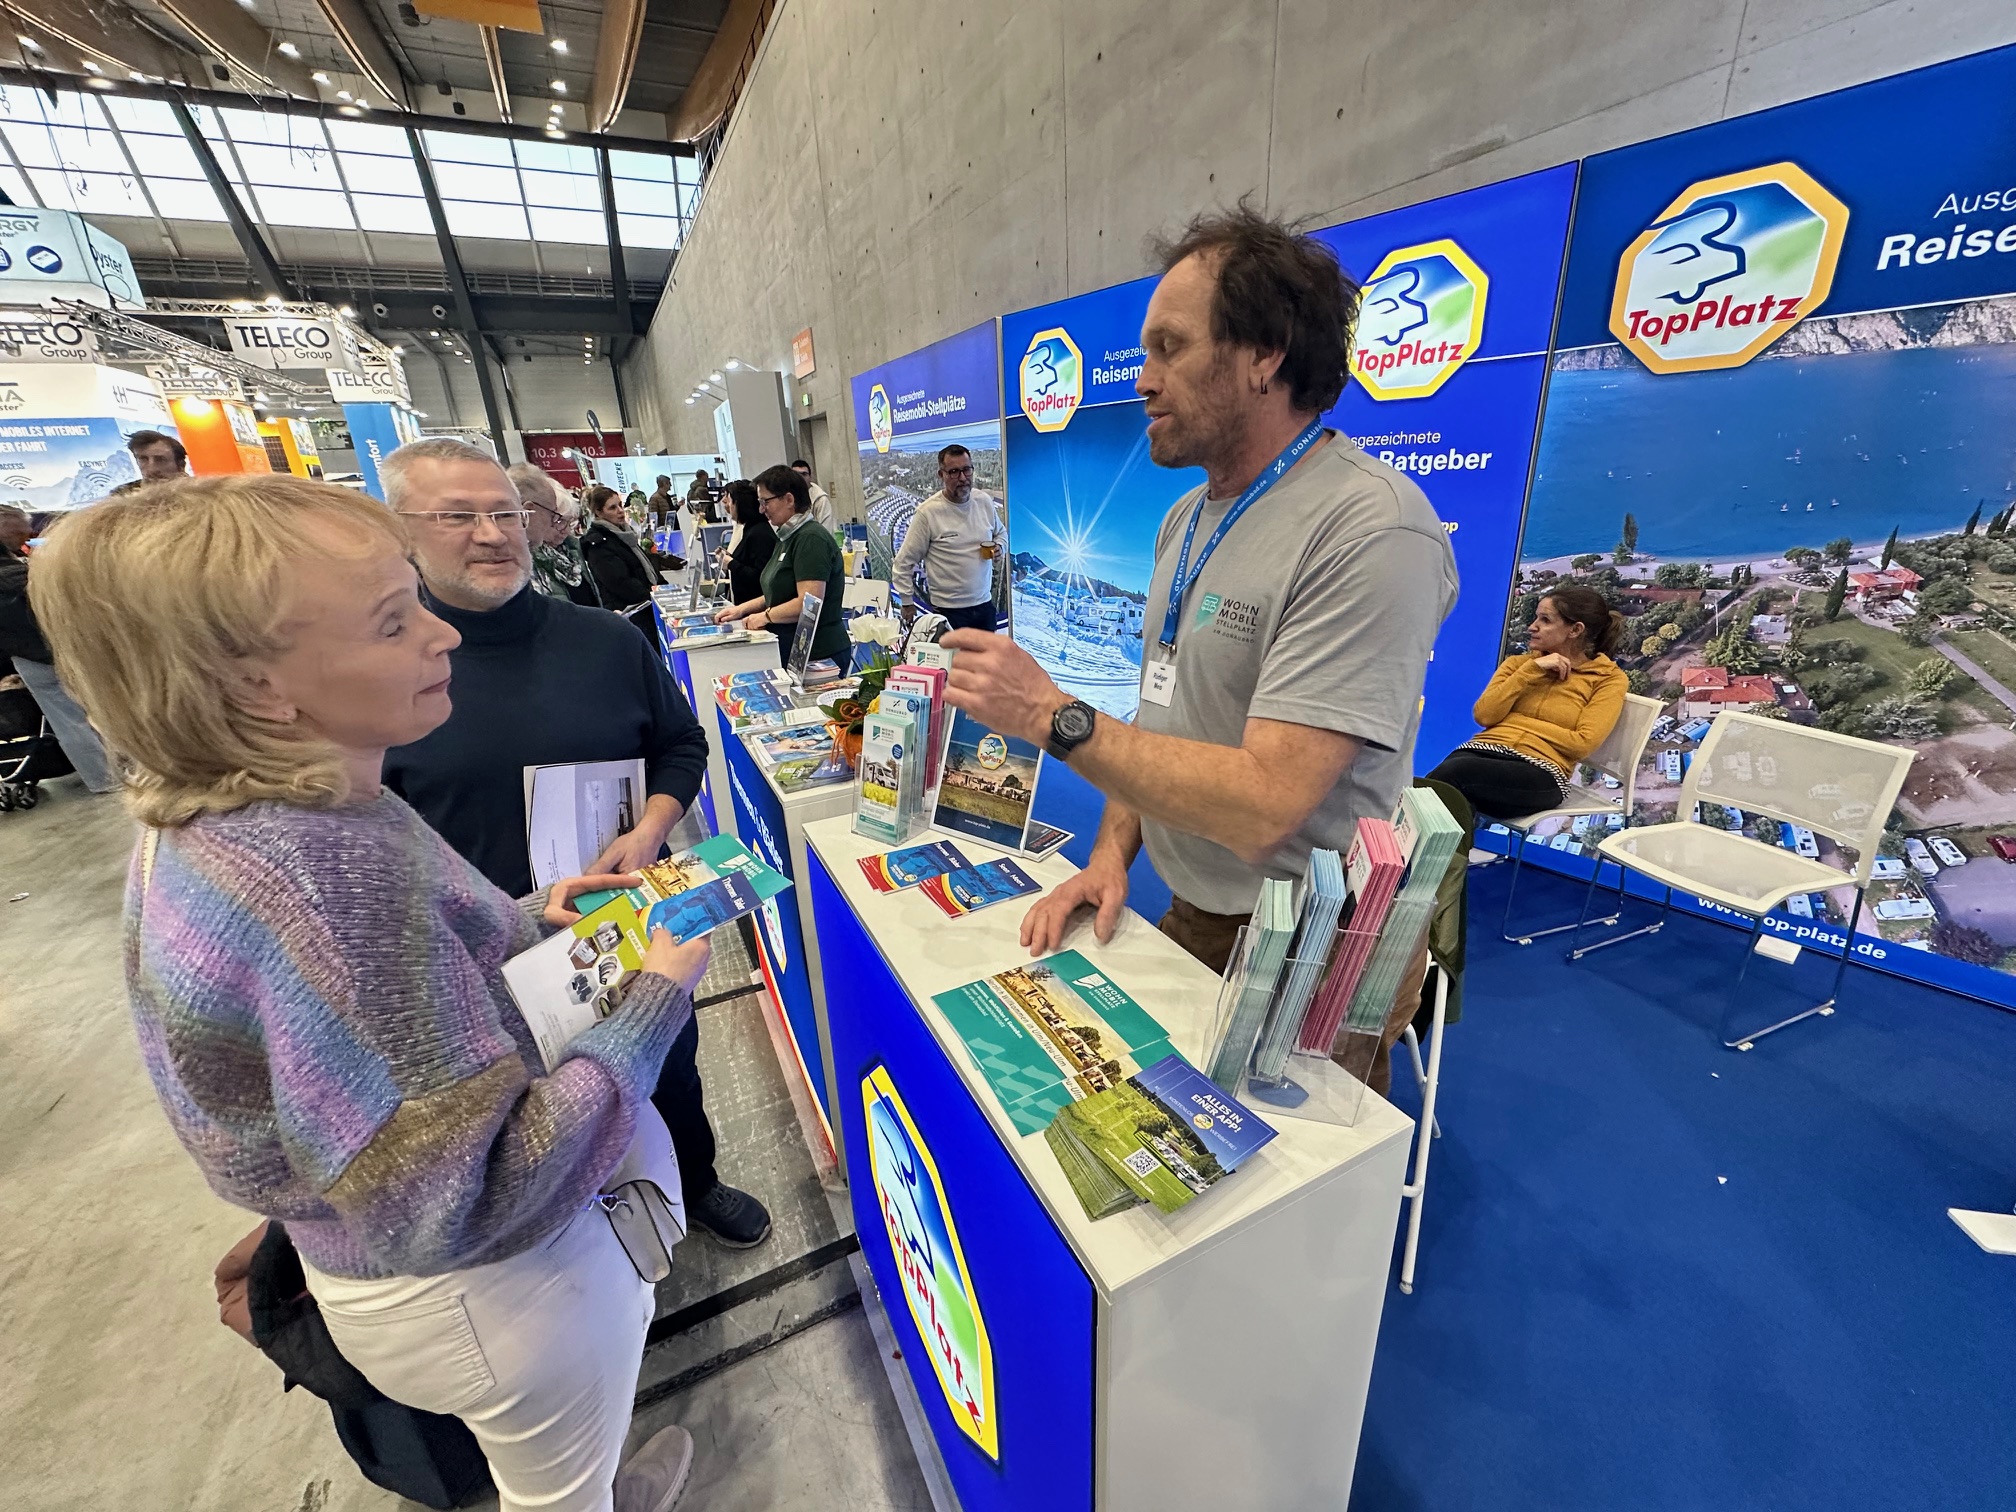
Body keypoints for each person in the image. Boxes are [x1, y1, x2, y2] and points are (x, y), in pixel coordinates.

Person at [30, 472, 708, 1511]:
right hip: (501, 1289)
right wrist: (655, 999)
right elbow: (469, 1196)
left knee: (561, 1459)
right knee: (556, 1485)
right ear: (257, 683)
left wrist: (525, 917)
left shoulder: (247, 813)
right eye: (395, 620)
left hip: (418, 1275)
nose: (443, 636)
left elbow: (373, 1010)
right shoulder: (329, 877)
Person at [940, 204, 1458, 1092]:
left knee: (1287, 1182)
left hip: (1312, 954)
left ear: (1265, 356)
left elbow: (1266, 803)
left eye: (1169, 348)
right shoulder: (1186, 518)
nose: (1143, 380)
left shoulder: (1372, 530)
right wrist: (1111, 856)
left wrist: (1051, 716)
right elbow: (1160, 714)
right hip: (1197, 913)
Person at [379, 440, 772, 1251]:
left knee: (668, 1065)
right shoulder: (390, 678)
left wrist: (652, 826)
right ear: (402, 533)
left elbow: (681, 743)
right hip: (488, 957)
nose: (492, 533)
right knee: (531, 1120)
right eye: (458, 516)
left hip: (625, 921)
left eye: (505, 512)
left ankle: (694, 1183)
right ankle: (580, 1246)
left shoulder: (605, 642)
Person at [1427, 584, 1628, 820]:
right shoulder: (1518, 665)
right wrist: (1530, 671)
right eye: (1535, 618)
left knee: (1450, 778)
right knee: (1447, 795)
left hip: (1543, 770)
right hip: (1482, 752)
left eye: (1545, 620)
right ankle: (1440, 844)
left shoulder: (1607, 679)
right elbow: (1484, 715)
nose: (1532, 626)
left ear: (1575, 630)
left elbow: (1582, 743)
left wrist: (1515, 721)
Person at [0, 505, 119, 792]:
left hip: (27, 659)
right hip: (62, 649)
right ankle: (122, 771)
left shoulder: (14, 570)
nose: (27, 535)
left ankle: (100, 780)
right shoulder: (21, 574)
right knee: (106, 711)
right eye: (20, 530)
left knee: (67, 721)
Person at [714, 464, 850, 669]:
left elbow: (808, 603)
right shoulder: (787, 536)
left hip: (820, 653)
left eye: (765, 502)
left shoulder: (811, 539)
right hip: (794, 647)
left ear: (789, 500)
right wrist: (741, 610)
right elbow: (777, 592)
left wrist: (765, 616)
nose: (761, 509)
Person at [891, 444, 1006, 633]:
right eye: (954, 472)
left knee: (987, 654)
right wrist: (906, 601)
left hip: (984, 607)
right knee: (953, 655)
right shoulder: (928, 513)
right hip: (948, 612)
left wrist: (1000, 546)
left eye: (967, 470)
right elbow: (903, 562)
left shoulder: (984, 502)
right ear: (941, 475)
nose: (962, 478)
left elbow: (1001, 533)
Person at [510, 462, 602, 608]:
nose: (565, 530)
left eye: (570, 522)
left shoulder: (571, 551)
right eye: (559, 520)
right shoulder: (527, 562)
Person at [582, 484, 683, 613]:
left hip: (647, 604)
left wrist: (665, 591)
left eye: (620, 505)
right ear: (598, 512)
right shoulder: (598, 544)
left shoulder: (626, 535)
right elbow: (620, 584)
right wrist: (655, 597)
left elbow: (646, 569)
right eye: (612, 508)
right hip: (629, 611)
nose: (620, 511)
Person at [722, 478, 777, 608]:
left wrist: (731, 563)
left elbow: (760, 576)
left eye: (730, 501)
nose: (728, 506)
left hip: (756, 608)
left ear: (739, 503)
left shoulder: (759, 533)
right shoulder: (749, 529)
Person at [109, 429, 189, 494]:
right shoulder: (122, 495)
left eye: (160, 460)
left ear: (181, 465)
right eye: (143, 459)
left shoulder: (195, 495)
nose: (151, 469)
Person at [790, 459, 837, 531]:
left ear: (810, 477)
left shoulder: (821, 500)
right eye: (796, 474)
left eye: (804, 474)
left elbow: (826, 530)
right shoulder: (786, 498)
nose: (800, 478)